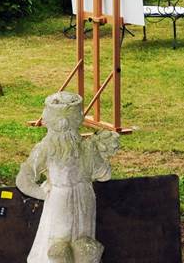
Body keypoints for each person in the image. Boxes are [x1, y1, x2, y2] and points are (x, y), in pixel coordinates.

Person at [16, 92, 120, 263]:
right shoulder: (84, 148)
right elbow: (104, 174)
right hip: (76, 201)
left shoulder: (49, 147)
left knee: (70, 247)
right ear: (78, 119)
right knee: (65, 248)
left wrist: (45, 193)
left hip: (62, 200)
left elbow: (24, 179)